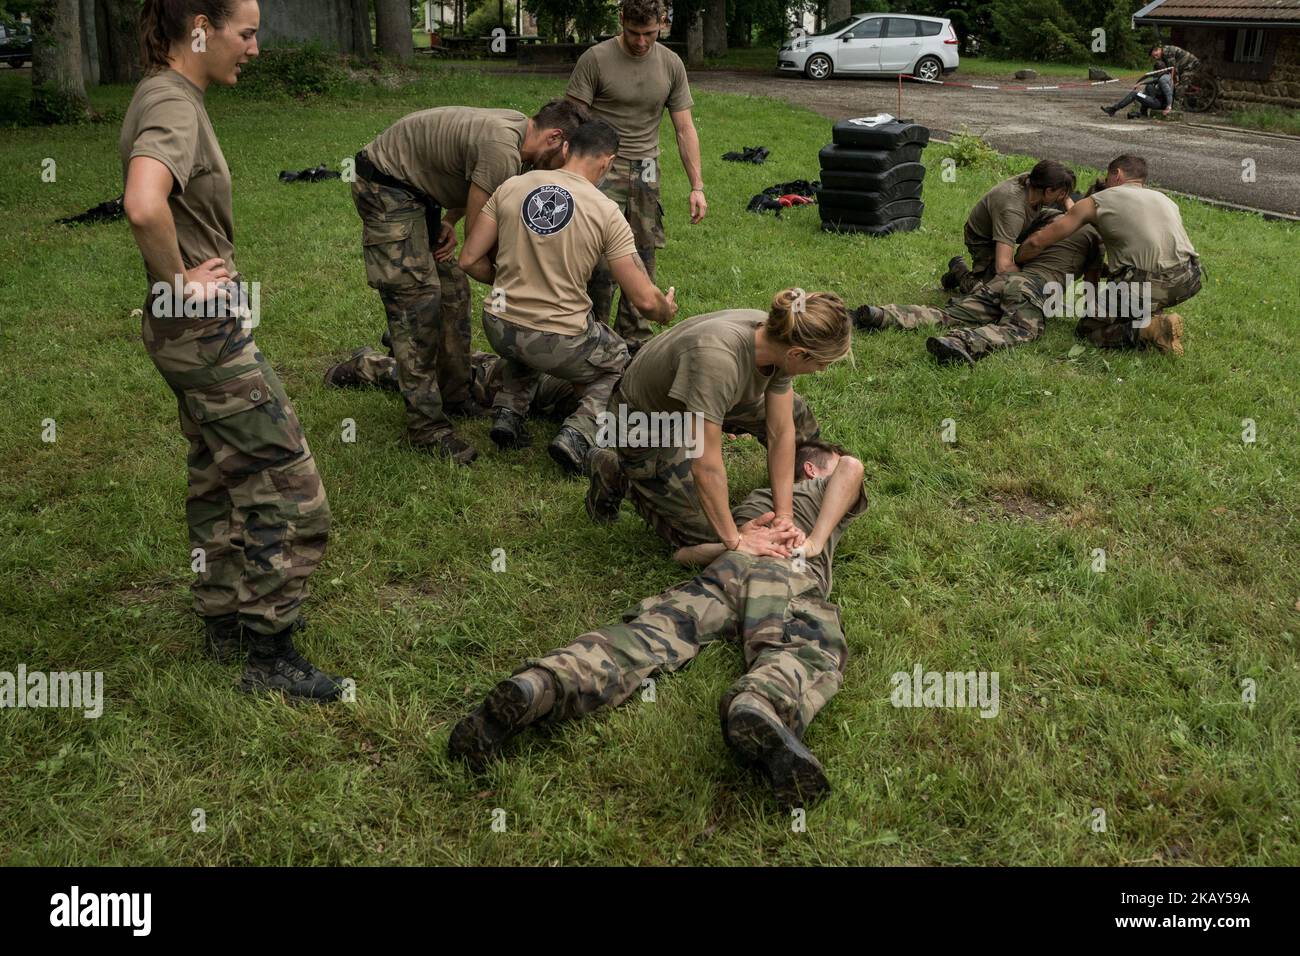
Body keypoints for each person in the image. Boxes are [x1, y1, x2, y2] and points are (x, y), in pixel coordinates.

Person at [450, 441, 869, 808]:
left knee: (645, 638)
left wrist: (737, 542)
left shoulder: (750, 508)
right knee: (806, 644)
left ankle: (541, 684)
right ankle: (761, 703)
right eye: (828, 463)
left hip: (723, 572)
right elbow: (852, 467)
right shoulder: (815, 490)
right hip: (786, 572)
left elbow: (682, 558)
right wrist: (814, 541)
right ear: (812, 470)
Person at [122, 0, 341, 700]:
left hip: (185, 336)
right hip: (201, 334)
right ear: (199, 27)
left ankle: (223, 621)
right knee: (290, 487)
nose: (253, 47)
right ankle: (270, 655)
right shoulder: (172, 102)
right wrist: (180, 282)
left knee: (218, 475)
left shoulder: (170, 93)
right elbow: (143, 202)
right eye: (245, 33)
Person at [347, 99, 589, 465]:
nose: (562, 169)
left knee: (453, 293)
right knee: (418, 305)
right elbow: (477, 249)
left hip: (418, 193)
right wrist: (518, 287)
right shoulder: (501, 147)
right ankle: (425, 429)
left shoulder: (522, 138)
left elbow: (473, 184)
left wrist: (448, 219)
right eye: (565, 157)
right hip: (386, 188)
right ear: (555, 137)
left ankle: (456, 395)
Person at [458, 119, 677, 474]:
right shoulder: (605, 210)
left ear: (565, 149)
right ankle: (578, 432)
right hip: (557, 337)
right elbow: (646, 301)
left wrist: (517, 285)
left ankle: (508, 411)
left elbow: (468, 258)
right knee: (619, 358)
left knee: (527, 340)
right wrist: (666, 310)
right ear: (607, 162)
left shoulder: (513, 186)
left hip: (498, 325)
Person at [586, 290, 851, 563]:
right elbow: (706, 465)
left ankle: (802, 487)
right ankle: (617, 472)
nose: (822, 370)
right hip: (644, 423)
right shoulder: (717, 361)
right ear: (797, 354)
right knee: (710, 541)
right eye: (822, 364)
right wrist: (735, 541)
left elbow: (781, 432)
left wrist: (784, 515)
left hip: (698, 396)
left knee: (795, 416)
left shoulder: (782, 336)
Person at [566, 0, 705, 344]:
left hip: (645, 168)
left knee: (643, 252)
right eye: (633, 33)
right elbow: (571, 120)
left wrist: (697, 186)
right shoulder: (595, 59)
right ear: (621, 20)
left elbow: (684, 128)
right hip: (601, 165)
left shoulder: (671, 64)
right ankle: (591, 334)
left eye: (649, 33)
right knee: (598, 257)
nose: (641, 42)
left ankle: (634, 339)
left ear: (662, 23)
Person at [853, 208, 1104, 365]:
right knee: (1022, 330)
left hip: (1003, 280)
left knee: (949, 315)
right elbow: (1090, 287)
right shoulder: (1095, 237)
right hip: (1032, 288)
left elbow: (1023, 245)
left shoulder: (1051, 218)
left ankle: (882, 315)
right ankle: (963, 342)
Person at [1016, 154, 1199, 356]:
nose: (1105, 182)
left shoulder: (1099, 200)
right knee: (1133, 294)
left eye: (1107, 177)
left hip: (1148, 285)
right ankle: (1154, 316)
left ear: (1117, 174)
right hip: (1188, 280)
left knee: (1088, 330)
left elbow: (1037, 242)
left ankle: (1149, 329)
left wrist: (1017, 260)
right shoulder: (1165, 200)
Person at [324, 347, 584, 423]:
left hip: (519, 370)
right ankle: (366, 366)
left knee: (470, 363)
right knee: (444, 385)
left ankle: (407, 344)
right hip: (509, 382)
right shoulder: (614, 395)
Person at [941, 160, 1077, 294]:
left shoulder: (1037, 181)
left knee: (1062, 221)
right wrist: (1030, 280)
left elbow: (1072, 214)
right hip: (983, 238)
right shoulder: (1012, 209)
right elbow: (1003, 266)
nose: (1064, 197)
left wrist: (1072, 211)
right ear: (1048, 191)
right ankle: (959, 271)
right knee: (988, 291)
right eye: (1062, 193)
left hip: (1022, 223)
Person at [1101, 70, 1173, 119]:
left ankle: (1113, 109)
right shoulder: (1166, 77)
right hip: (1159, 100)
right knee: (1149, 86)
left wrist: (1168, 107)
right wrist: (1141, 83)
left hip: (1158, 103)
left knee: (1135, 94)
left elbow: (1168, 93)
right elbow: (1154, 81)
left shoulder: (1163, 80)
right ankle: (1143, 112)